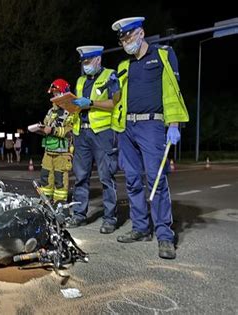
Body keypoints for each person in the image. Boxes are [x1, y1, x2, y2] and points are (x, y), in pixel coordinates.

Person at [111, 17, 189, 259]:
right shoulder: (125, 66)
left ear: (141, 33)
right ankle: (141, 228)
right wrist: (114, 89)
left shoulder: (162, 55)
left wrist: (173, 124)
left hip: (152, 125)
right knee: (133, 180)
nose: (126, 42)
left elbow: (172, 90)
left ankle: (165, 235)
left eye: (129, 37)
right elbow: (117, 100)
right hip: (127, 128)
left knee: (156, 180)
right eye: (122, 39)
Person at [67, 46, 119, 233]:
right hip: (82, 133)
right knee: (81, 177)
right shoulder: (80, 81)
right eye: (83, 62)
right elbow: (77, 105)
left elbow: (115, 102)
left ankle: (110, 218)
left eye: (88, 61)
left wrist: (91, 103)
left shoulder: (110, 76)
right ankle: (79, 215)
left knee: (107, 177)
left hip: (103, 133)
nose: (85, 65)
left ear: (98, 59)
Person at [39, 78, 73, 204]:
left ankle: (60, 204)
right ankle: (45, 201)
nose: (54, 97)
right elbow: (46, 124)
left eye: (57, 94)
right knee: (45, 177)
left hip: (62, 153)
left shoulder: (70, 111)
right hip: (49, 151)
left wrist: (53, 131)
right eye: (53, 95)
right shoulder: (51, 111)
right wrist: (41, 129)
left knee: (60, 180)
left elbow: (70, 131)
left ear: (64, 94)